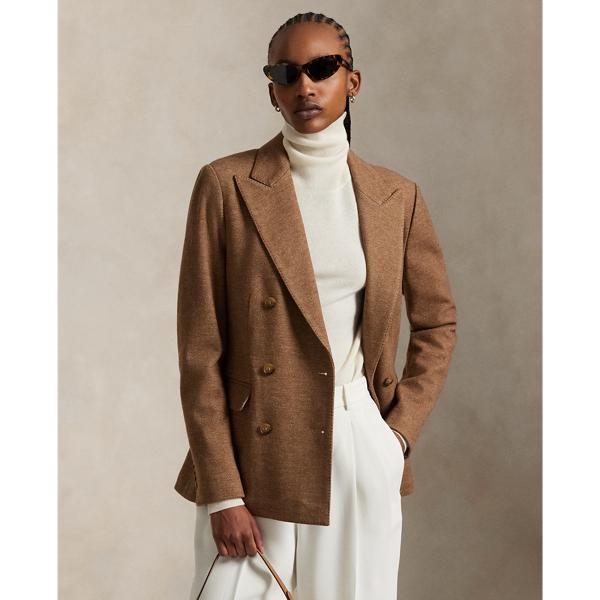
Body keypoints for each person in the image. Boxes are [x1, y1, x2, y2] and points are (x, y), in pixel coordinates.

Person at [175, 12, 457, 600]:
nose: (304, 85)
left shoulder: (396, 196)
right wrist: (222, 492)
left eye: (322, 68)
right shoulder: (225, 185)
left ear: (352, 81)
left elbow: (436, 322)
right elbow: (200, 352)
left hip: (357, 444)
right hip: (254, 453)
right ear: (271, 89)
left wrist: (396, 436)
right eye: (286, 73)